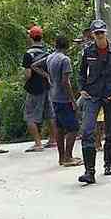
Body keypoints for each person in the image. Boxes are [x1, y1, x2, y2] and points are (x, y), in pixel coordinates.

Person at [77, 19, 111, 184]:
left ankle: (108, 163)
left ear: (105, 33)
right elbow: (81, 72)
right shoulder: (88, 51)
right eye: (96, 33)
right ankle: (89, 171)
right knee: (87, 131)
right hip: (93, 94)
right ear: (92, 34)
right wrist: (82, 88)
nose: (99, 35)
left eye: (101, 32)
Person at [43, 36, 83, 167]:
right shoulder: (65, 60)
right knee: (73, 128)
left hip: (53, 96)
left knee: (60, 128)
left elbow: (36, 65)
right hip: (63, 98)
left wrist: (49, 78)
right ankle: (68, 157)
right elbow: (66, 82)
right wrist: (72, 100)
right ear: (68, 45)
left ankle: (61, 157)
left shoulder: (50, 57)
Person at [22, 25, 58, 152]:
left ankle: (38, 143)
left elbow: (28, 74)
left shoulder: (28, 54)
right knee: (50, 114)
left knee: (30, 116)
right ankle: (53, 140)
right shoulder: (48, 51)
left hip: (34, 88)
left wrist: (24, 80)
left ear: (31, 37)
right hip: (47, 86)